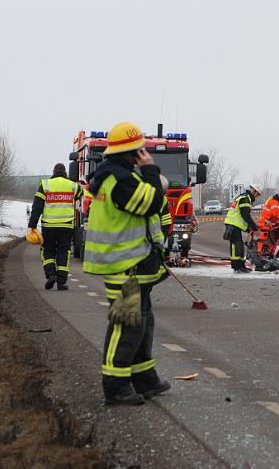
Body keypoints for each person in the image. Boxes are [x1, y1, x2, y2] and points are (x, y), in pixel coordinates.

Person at [83, 121, 170, 406]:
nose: (142, 153)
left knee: (142, 322)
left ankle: (144, 379)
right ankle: (116, 386)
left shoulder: (117, 174)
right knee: (126, 324)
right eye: (140, 150)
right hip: (125, 266)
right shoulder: (119, 180)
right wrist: (151, 170)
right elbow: (153, 202)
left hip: (133, 264)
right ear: (131, 151)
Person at [28, 163, 81, 291]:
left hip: (49, 226)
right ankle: (61, 282)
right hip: (66, 226)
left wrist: (32, 225)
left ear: (53, 172)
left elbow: (37, 206)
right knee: (64, 251)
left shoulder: (46, 185)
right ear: (65, 173)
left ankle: (51, 275)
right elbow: (81, 195)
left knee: (47, 250)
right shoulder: (73, 186)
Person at [224, 184, 262, 273]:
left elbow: (241, 218)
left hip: (234, 225)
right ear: (254, 191)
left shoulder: (244, 197)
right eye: (257, 194)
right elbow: (245, 215)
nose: (257, 196)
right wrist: (253, 227)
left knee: (239, 246)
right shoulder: (245, 199)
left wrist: (248, 229)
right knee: (236, 246)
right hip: (233, 226)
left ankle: (241, 265)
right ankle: (237, 266)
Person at [256, 188, 279, 255]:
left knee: (271, 241)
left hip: (270, 224)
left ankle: (269, 254)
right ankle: (260, 256)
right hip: (265, 223)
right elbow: (276, 213)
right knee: (264, 241)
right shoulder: (274, 200)